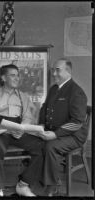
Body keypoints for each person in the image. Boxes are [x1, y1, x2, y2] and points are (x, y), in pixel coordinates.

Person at [0, 64, 43, 196]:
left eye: (18, 75)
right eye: (13, 75)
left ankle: (23, 185)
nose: (17, 78)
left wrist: (22, 128)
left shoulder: (23, 96)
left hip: (18, 132)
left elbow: (27, 117)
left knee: (42, 147)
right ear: (3, 78)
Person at [37, 58, 87, 196]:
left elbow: (77, 122)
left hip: (74, 136)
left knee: (50, 146)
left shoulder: (76, 91)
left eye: (57, 70)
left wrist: (55, 134)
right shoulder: (54, 88)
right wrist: (41, 125)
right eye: (53, 70)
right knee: (34, 141)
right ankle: (38, 176)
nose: (54, 73)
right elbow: (44, 108)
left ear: (68, 71)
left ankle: (52, 186)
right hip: (55, 131)